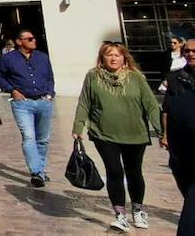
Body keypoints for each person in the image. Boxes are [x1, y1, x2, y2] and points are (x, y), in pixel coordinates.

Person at [73, 42, 162, 232]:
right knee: (114, 171)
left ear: (124, 58)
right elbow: (84, 102)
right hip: (103, 133)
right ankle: (120, 215)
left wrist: (163, 131)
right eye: (109, 55)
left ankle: (137, 210)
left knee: (134, 172)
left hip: (135, 134)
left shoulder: (136, 77)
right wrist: (78, 126)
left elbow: (151, 105)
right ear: (102, 58)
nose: (113, 58)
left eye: (117, 55)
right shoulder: (93, 76)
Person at [0, 28, 56, 188]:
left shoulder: (42, 57)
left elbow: (50, 76)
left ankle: (41, 171)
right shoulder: (8, 59)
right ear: (19, 42)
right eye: (29, 39)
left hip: (44, 100)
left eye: (34, 38)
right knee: (29, 137)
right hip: (23, 103)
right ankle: (36, 171)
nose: (33, 40)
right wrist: (12, 90)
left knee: (43, 139)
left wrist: (50, 93)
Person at [163, 39, 195, 235]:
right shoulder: (176, 78)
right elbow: (166, 109)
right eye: (188, 51)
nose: (191, 54)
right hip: (182, 152)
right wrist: (165, 135)